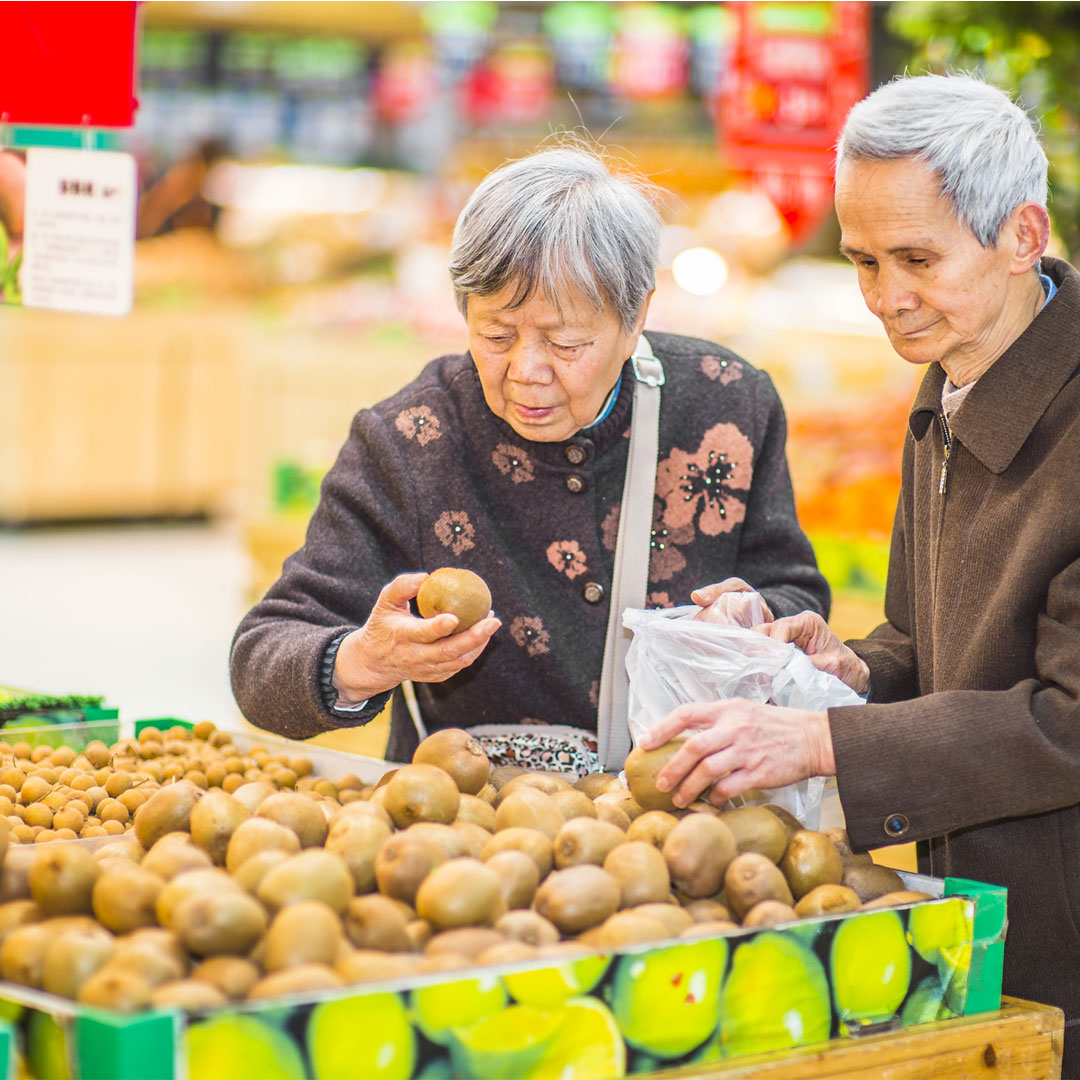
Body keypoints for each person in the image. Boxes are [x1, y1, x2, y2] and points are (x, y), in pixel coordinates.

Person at [642, 73, 1080, 1062]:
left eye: (917, 259)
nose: (887, 297)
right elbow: (935, 648)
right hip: (980, 915)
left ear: (1020, 235)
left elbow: (1071, 717)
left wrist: (822, 744)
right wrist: (845, 671)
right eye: (863, 261)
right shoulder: (956, 392)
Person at [231, 144, 829, 772]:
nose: (526, 372)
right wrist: (358, 664)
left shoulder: (726, 404)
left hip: (685, 813)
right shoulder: (408, 441)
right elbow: (261, 659)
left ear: (636, 320)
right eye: (495, 335)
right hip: (469, 828)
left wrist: (756, 619)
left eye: (566, 342)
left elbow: (796, 592)